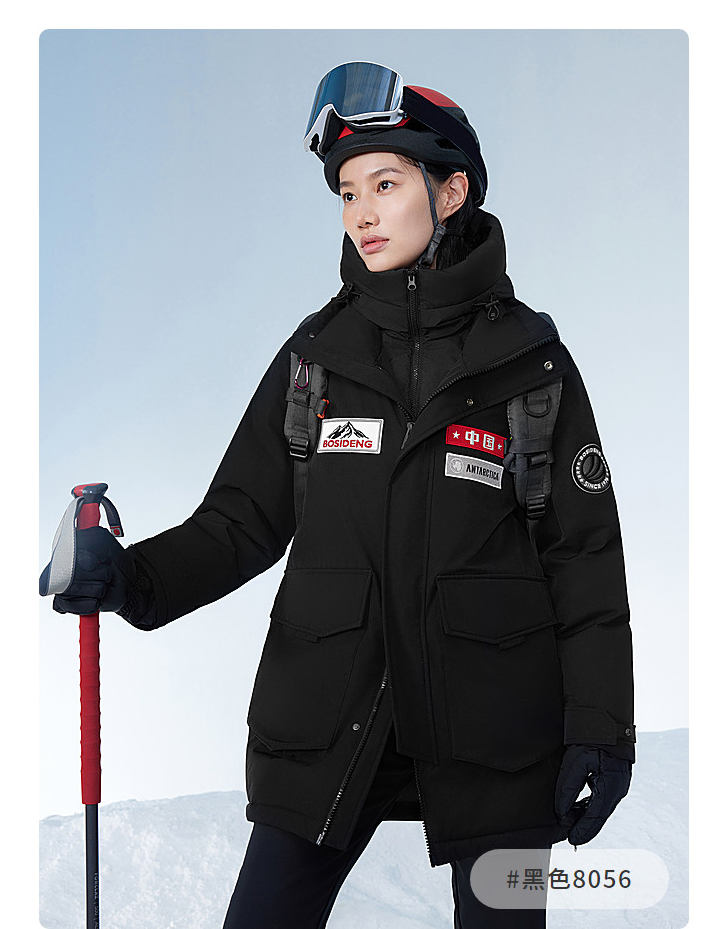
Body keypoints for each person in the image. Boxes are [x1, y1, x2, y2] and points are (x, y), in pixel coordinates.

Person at [41, 61, 636, 927]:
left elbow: (584, 560)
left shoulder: (530, 364)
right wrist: (130, 577)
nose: (361, 212)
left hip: (498, 735)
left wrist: (602, 729)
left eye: (386, 184)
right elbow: (241, 519)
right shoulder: (317, 358)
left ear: (452, 191)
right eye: (348, 192)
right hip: (326, 719)